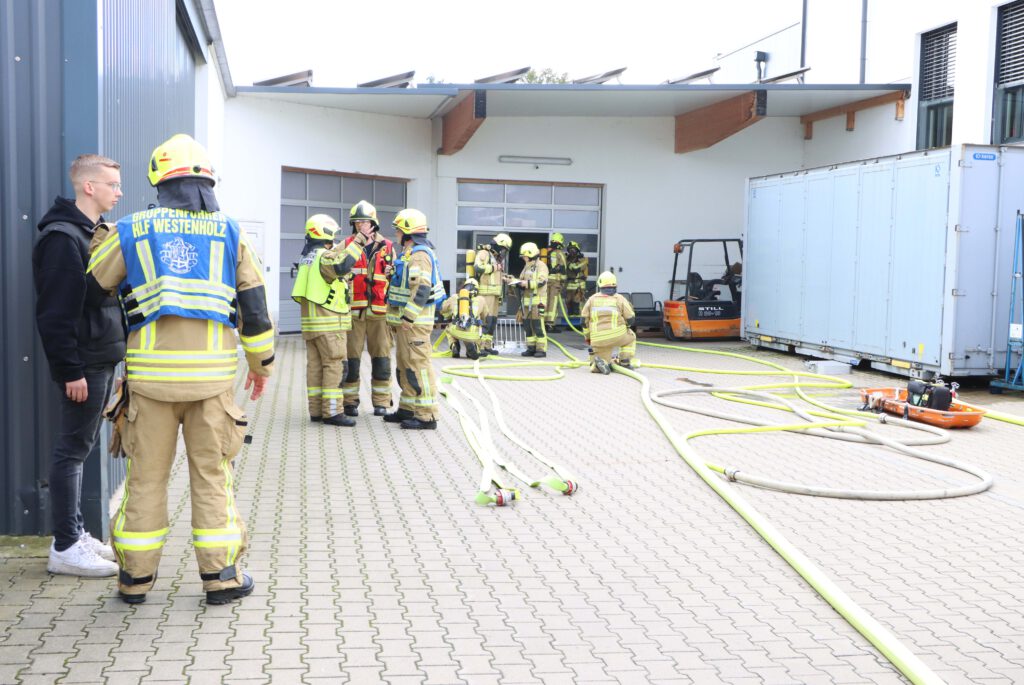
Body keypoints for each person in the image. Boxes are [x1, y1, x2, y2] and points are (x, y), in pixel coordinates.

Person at [86, 134, 275, 605]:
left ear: (158, 178)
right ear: (208, 181)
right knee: (212, 478)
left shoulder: (130, 229)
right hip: (212, 383)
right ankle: (222, 579)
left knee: (146, 480)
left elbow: (93, 287)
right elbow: (254, 308)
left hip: (151, 384)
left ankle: (134, 581)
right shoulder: (231, 232)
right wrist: (261, 364)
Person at [33, 154, 126, 577]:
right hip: (84, 364)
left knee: (82, 447)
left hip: (100, 356)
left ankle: (74, 532)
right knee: (71, 450)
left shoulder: (94, 234)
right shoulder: (62, 237)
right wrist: (70, 371)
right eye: (112, 183)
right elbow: (55, 313)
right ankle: (66, 547)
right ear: (89, 187)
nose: (118, 191)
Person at [291, 213, 367, 426]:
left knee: (315, 368)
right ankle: (333, 413)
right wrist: (359, 241)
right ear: (326, 234)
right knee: (334, 366)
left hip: (312, 325)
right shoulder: (324, 256)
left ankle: (316, 411)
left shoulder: (308, 257)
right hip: (330, 324)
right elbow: (341, 265)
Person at [383, 209, 445, 430]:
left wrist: (409, 316)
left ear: (407, 232)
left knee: (419, 367)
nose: (396, 235)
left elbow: (422, 289)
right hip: (405, 324)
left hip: (415, 324)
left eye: (398, 230)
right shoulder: (409, 254)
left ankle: (427, 415)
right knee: (405, 365)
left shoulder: (419, 255)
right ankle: (407, 408)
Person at [340, 201, 396, 417]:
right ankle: (349, 402)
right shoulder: (346, 244)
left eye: (364, 221)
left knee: (381, 358)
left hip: (380, 313)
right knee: (351, 359)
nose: (361, 225)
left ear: (374, 223)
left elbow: (395, 277)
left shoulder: (388, 246)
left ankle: (381, 402)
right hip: (354, 312)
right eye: (357, 222)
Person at [581, 271, 637, 374]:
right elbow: (630, 318)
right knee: (631, 338)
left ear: (600, 284)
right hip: (618, 335)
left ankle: (598, 364)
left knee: (601, 361)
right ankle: (624, 362)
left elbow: (583, 321)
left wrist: (588, 337)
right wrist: (627, 327)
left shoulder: (591, 299)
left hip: (598, 339)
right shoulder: (620, 299)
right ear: (615, 284)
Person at [473, 233, 511, 356]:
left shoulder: (495, 258)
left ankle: (487, 345)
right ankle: (480, 346)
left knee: (492, 322)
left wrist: (505, 277)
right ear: (499, 245)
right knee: (485, 320)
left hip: (495, 295)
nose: (504, 252)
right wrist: (495, 267)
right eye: (504, 249)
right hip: (486, 294)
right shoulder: (484, 253)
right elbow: (478, 267)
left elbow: (495, 275)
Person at [509, 242, 549, 358]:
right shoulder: (526, 266)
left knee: (538, 325)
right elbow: (522, 281)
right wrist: (513, 281)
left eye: (524, 256)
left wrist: (527, 283)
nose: (523, 258)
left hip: (538, 301)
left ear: (531, 254)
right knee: (527, 326)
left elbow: (542, 282)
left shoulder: (541, 266)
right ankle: (531, 348)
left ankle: (541, 349)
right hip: (526, 302)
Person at [439, 278, 483, 359]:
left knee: (448, 328)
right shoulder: (481, 300)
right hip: (473, 332)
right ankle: (475, 348)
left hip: (457, 330)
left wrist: (449, 314)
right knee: (479, 329)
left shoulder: (454, 297)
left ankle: (454, 345)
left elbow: (442, 309)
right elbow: (486, 316)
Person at [544, 232, 567, 332]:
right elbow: (563, 268)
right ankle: (550, 324)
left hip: (546, 280)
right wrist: (563, 281)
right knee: (553, 303)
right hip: (555, 282)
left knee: (545, 301)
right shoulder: (559, 253)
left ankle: (544, 323)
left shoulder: (547, 252)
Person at [564, 241, 589, 317]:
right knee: (569, 303)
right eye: (570, 250)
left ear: (577, 250)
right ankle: (570, 321)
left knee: (577, 302)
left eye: (573, 249)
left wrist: (569, 264)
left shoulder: (584, 259)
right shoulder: (566, 259)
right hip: (569, 285)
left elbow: (577, 268)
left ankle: (579, 322)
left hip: (579, 285)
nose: (571, 252)